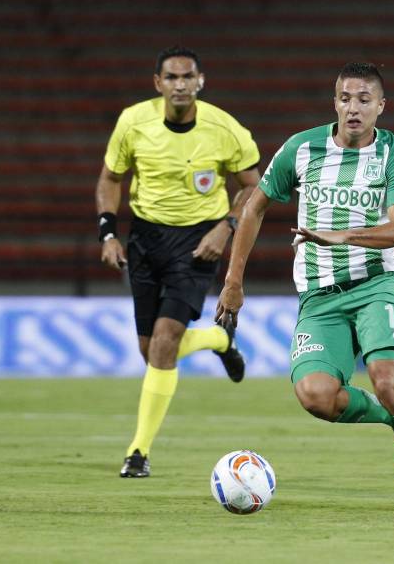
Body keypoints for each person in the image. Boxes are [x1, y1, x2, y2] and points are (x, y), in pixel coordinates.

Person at [215, 62, 394, 515]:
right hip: (320, 298)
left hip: (374, 287)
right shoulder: (301, 149)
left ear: (381, 107)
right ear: (335, 103)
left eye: (364, 99)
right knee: (315, 396)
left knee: (388, 381)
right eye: (346, 98)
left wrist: (343, 234)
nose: (354, 108)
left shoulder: (393, 153)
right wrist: (233, 282)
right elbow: (253, 208)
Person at [96, 45, 262, 478]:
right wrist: (109, 233)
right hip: (146, 239)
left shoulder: (224, 128)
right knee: (150, 349)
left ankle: (138, 452)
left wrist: (224, 227)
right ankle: (218, 340)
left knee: (166, 344)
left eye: (188, 77)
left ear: (200, 81)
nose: (180, 84)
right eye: (171, 77)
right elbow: (111, 179)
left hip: (198, 241)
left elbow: (253, 186)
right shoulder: (134, 122)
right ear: (158, 84)